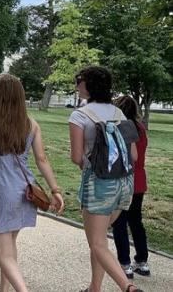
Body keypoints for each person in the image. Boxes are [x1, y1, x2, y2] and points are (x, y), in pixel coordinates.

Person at [0, 74, 64, 292]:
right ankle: (4, 288)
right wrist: (55, 190)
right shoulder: (31, 124)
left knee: (3, 252)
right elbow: (42, 160)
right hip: (25, 189)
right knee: (10, 246)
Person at [69, 66, 142, 292]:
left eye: (79, 79)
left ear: (88, 84)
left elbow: (76, 157)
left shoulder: (80, 115)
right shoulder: (118, 113)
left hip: (98, 185)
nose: (76, 83)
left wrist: (93, 166)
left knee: (97, 243)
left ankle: (128, 288)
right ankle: (94, 288)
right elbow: (134, 156)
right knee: (101, 239)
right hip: (124, 185)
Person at [112, 95, 150, 279]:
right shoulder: (141, 128)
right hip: (140, 180)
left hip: (125, 179)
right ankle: (142, 261)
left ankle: (124, 263)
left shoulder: (121, 128)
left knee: (120, 222)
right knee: (136, 221)